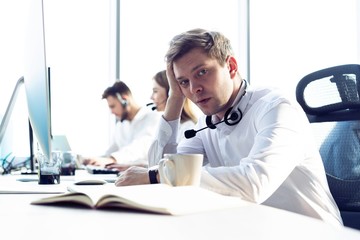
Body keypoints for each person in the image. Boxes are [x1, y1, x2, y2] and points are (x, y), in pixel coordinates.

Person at [113, 28, 343, 226]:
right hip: (258, 229)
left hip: (313, 232)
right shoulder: (206, 124)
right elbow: (160, 168)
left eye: (202, 72)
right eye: (184, 82)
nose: (194, 89)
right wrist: (174, 98)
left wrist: (156, 176)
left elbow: (254, 183)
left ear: (231, 66)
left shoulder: (276, 108)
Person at [82, 81, 161, 170]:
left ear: (125, 100)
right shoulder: (120, 125)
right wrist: (93, 160)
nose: (111, 112)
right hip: (122, 175)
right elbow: (111, 151)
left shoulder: (152, 117)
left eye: (113, 106)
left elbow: (139, 148)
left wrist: (113, 159)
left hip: (144, 176)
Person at [150, 70, 197, 142]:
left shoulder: (188, 128)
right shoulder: (158, 126)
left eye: (155, 91)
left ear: (170, 93)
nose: (151, 97)